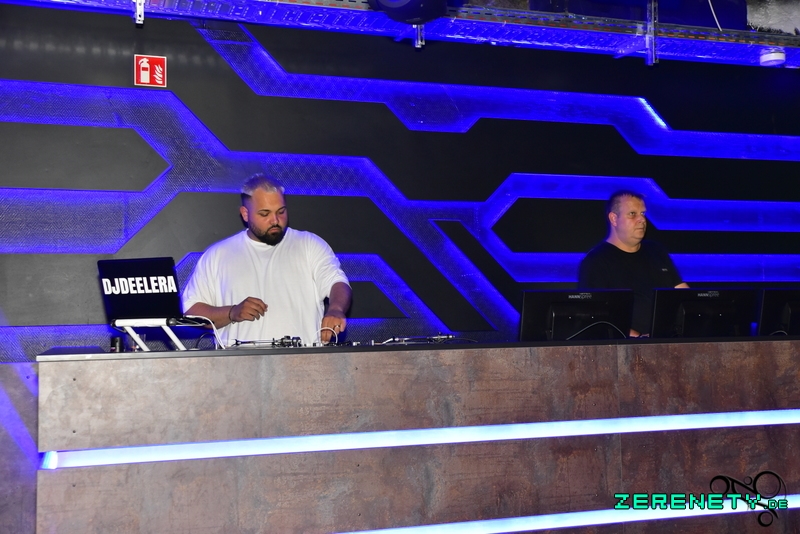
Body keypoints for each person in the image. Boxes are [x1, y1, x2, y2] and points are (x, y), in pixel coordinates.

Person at [183, 174, 351, 346]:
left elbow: (337, 282)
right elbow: (191, 311)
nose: (275, 220)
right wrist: (232, 312)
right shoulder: (217, 255)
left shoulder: (309, 244)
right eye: (265, 214)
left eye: (281, 212)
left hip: (303, 361)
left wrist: (336, 309)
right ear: (245, 214)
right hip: (240, 362)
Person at [578, 190, 688, 337]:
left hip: (670, 340)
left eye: (643, 213)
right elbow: (595, 315)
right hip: (627, 346)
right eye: (632, 214)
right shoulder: (596, 261)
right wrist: (639, 338)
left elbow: (683, 293)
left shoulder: (656, 251)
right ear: (614, 219)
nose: (642, 219)